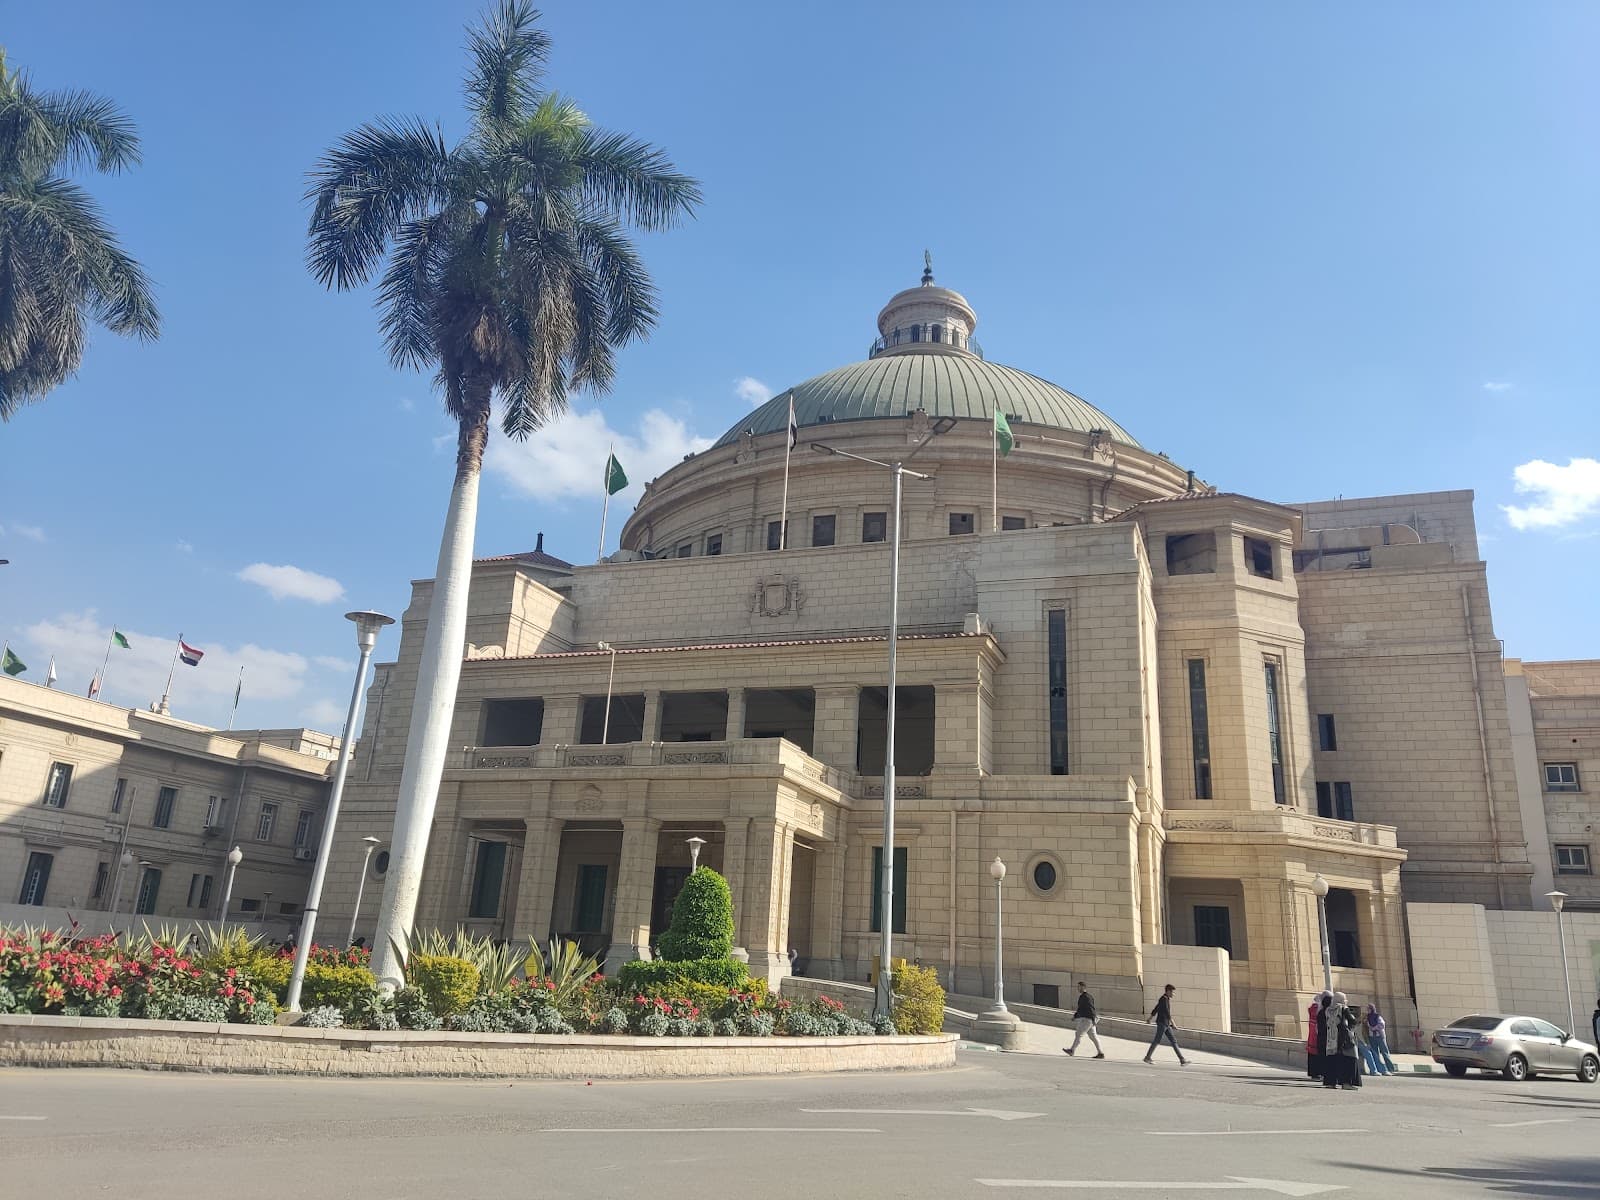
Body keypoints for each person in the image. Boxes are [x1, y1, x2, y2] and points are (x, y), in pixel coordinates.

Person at [1144, 984, 1188, 1065]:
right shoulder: (1164, 1000)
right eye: (1172, 992)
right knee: (1157, 1040)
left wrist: (1149, 1018)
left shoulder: (1164, 999)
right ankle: (1147, 1057)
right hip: (1162, 1024)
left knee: (1173, 1041)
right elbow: (1167, 1013)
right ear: (1168, 991)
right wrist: (1174, 1024)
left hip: (1166, 1024)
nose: (1173, 994)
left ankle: (1182, 1060)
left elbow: (1156, 1009)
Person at [1064, 982, 1105, 1059]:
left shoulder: (1085, 997)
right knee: (1093, 1037)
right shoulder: (1088, 996)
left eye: (1079, 987)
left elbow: (1089, 1008)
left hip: (1087, 1019)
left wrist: (1092, 1019)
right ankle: (1100, 1053)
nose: (1078, 988)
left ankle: (1072, 1050)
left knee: (1079, 1034)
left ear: (1083, 987)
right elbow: (1084, 1008)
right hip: (1090, 1019)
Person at [1332, 991, 1362, 1089]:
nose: (1346, 1001)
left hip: (1334, 1039)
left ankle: (1339, 1082)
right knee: (1351, 1059)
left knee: (1340, 1061)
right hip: (1346, 1038)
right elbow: (1352, 1020)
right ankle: (1347, 1083)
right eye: (1345, 999)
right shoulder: (1343, 1008)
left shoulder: (1330, 1009)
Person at [1366, 1005, 1397, 1074]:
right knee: (1375, 1053)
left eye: (1368, 1009)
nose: (1367, 1010)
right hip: (1371, 1037)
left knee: (1384, 1052)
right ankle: (1379, 1068)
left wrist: (1373, 1028)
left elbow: (1382, 1025)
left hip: (1379, 1036)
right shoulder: (1367, 1017)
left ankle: (1390, 1068)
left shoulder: (1377, 1016)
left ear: (1372, 1009)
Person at [1318, 993, 1339, 1089]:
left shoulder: (1320, 1012)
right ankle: (1330, 1080)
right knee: (1330, 1060)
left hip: (1321, 1038)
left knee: (1324, 1059)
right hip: (1328, 1039)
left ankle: (1326, 1078)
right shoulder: (1328, 1012)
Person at [1307, 992, 1327, 1080]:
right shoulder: (1318, 1009)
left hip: (1312, 1034)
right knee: (1317, 1054)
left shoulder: (1312, 1008)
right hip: (1317, 1034)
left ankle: (1313, 1073)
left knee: (1312, 1055)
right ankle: (1318, 1072)